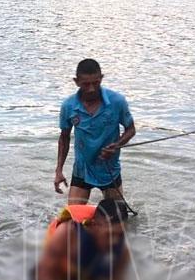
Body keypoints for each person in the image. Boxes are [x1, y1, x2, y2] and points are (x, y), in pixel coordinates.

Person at [55, 58, 136, 205]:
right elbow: (64, 138)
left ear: (101, 79)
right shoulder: (69, 106)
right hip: (82, 169)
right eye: (86, 84)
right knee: (73, 217)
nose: (91, 88)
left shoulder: (117, 101)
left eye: (96, 83)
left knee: (117, 218)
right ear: (76, 82)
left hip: (109, 168)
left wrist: (116, 145)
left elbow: (131, 129)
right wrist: (59, 171)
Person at [33, 198, 131, 280]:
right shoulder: (68, 233)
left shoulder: (122, 250)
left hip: (87, 277)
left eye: (119, 234)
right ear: (94, 224)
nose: (115, 240)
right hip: (59, 277)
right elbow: (42, 278)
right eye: (109, 234)